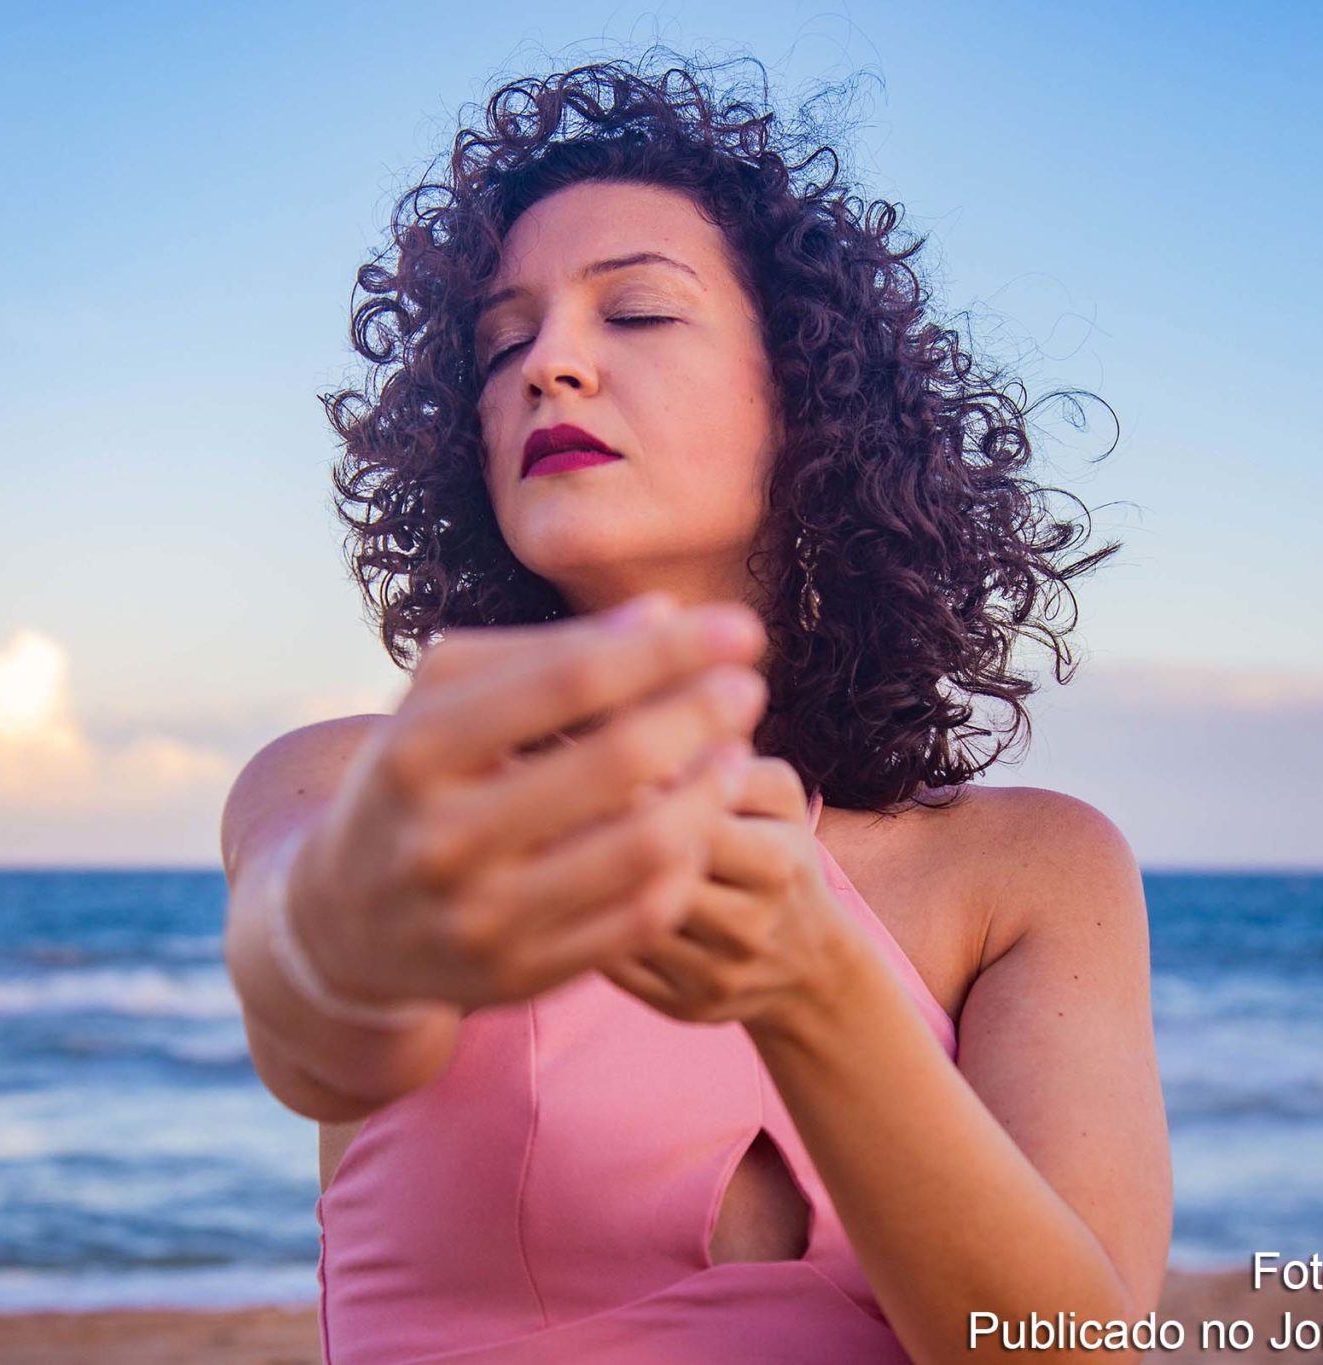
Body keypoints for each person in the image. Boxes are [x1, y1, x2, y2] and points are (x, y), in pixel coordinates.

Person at [221, 52, 1172, 1364]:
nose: (548, 364)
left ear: (808, 399)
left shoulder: (1033, 871)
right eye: (502, 342)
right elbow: (308, 999)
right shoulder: (354, 783)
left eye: (637, 316)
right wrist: (343, 934)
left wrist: (814, 983)